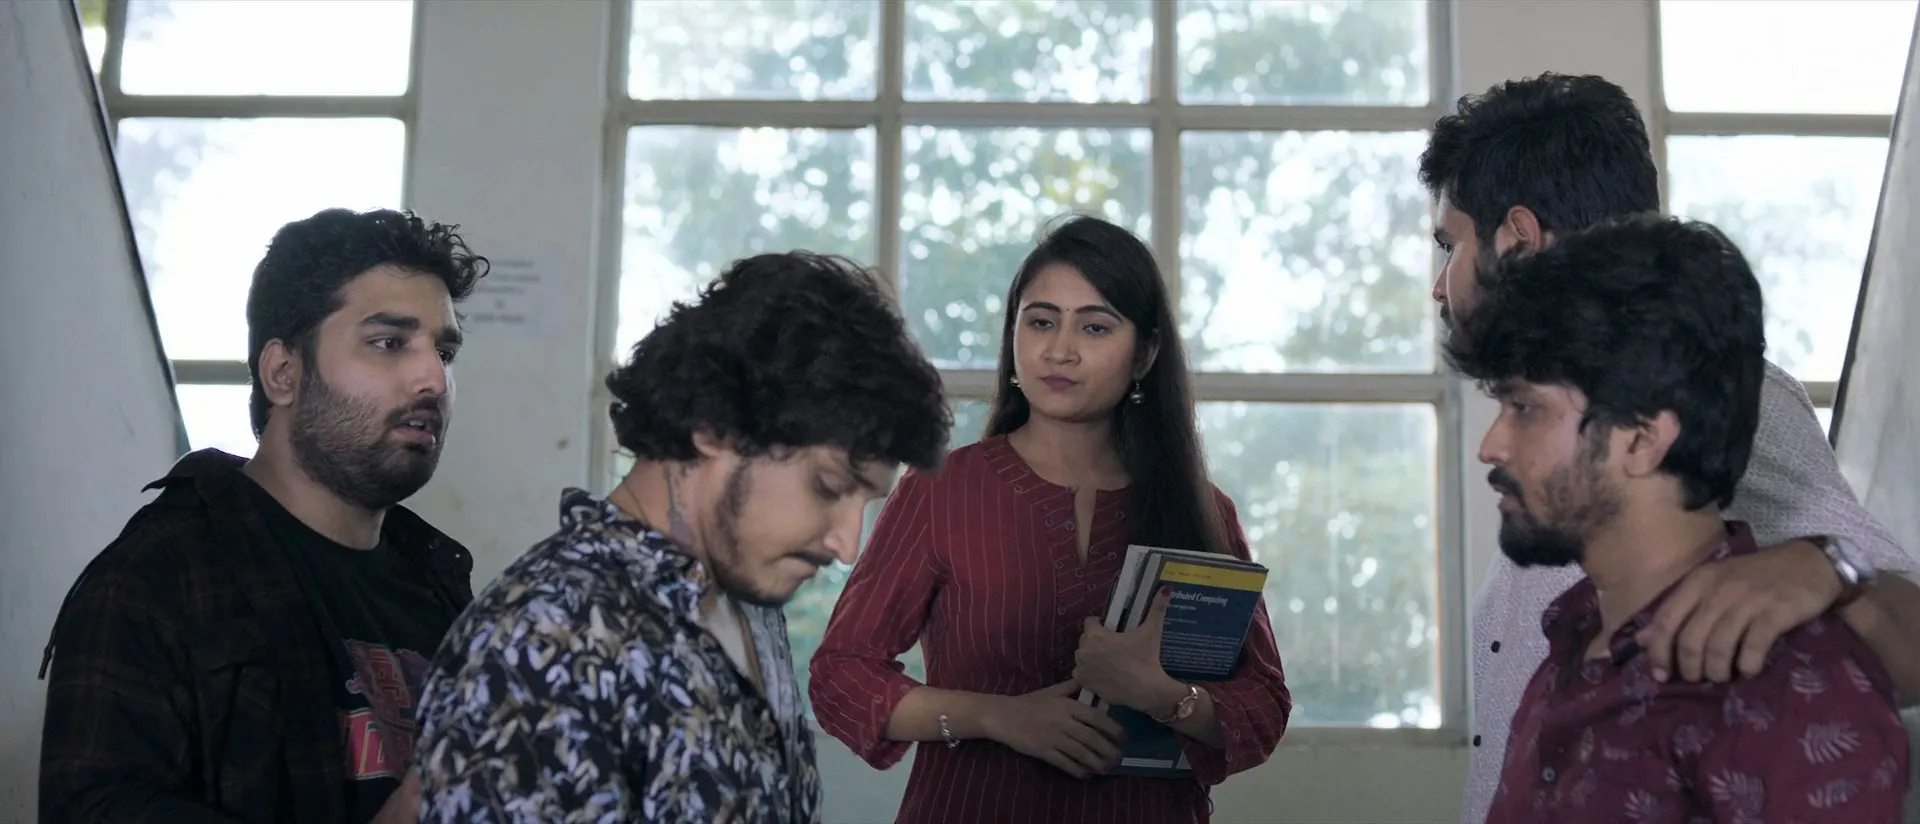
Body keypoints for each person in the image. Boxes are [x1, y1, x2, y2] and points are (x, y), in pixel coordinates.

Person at [1420, 73, 1920, 823]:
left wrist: (1827, 565)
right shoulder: (1575, 622)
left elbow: (1907, 626)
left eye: (1449, 243)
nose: (1439, 285)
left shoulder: (1707, 392)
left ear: (1517, 237)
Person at [411, 251, 950, 823]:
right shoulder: (542, 644)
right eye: (828, 486)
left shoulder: (745, 585)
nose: (847, 545)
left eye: (865, 502)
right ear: (714, 427)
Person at [809, 215, 1290, 824]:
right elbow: (841, 676)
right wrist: (996, 716)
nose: (1059, 350)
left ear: (1145, 354)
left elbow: (1263, 707)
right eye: (1040, 321)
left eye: (1094, 326)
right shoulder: (940, 488)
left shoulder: (1204, 510)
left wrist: (1163, 697)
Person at [38, 208, 487, 824]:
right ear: (283, 373)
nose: (433, 378)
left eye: (445, 350)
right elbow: (91, 810)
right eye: (389, 343)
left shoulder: (438, 586)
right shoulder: (160, 578)